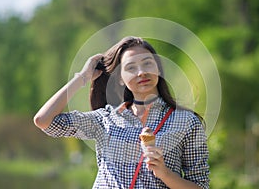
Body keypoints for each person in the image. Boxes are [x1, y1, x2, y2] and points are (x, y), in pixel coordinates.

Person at [34, 36, 210, 189]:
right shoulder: (106, 119)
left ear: (158, 68)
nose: (141, 72)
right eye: (131, 67)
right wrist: (82, 77)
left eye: (148, 63)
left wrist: (164, 173)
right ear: (120, 77)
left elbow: (200, 186)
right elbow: (44, 120)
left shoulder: (187, 122)